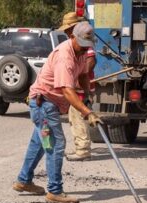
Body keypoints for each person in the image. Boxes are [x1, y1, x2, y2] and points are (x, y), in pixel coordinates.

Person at [12, 22, 103, 203]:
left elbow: (83, 75)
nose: (85, 49)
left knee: (39, 143)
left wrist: (87, 96)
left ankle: (23, 181)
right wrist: (87, 112)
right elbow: (67, 90)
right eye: (82, 45)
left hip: (49, 104)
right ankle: (55, 191)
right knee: (56, 144)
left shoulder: (81, 52)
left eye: (88, 46)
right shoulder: (65, 56)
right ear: (72, 37)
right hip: (43, 104)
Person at [58, 12, 97, 161]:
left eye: (69, 28)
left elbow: (91, 61)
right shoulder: (72, 42)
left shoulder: (83, 39)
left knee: (77, 116)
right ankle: (82, 148)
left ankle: (82, 150)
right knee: (77, 116)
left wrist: (80, 77)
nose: (67, 31)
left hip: (80, 88)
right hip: (77, 86)